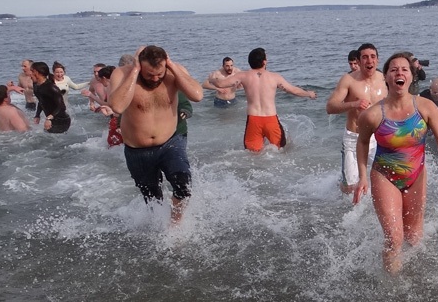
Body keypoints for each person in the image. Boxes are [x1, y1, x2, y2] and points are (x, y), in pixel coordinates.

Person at [353, 52, 438, 275]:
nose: (399, 73)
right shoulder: (373, 114)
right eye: (393, 70)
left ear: (412, 77)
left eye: (404, 69)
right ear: (385, 77)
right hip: (385, 175)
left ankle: (412, 277)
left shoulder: (425, 107)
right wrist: (362, 176)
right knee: (394, 239)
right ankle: (392, 287)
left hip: (416, 176)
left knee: (414, 238)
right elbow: (362, 142)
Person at [108, 45, 203, 225]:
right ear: (140, 65)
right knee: (152, 198)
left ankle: (175, 226)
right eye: (149, 74)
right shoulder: (122, 74)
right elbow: (117, 106)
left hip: (170, 142)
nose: (155, 78)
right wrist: (135, 71)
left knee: (183, 184)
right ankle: (158, 227)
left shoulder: (173, 72)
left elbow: (197, 96)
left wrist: (173, 67)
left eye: (159, 74)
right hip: (137, 150)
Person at [210, 47, 316, 152]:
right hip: (271, 120)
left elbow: (220, 84)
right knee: (281, 150)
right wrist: (308, 93)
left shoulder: (243, 76)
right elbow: (294, 90)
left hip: (253, 121)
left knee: (253, 154)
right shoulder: (275, 77)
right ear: (264, 62)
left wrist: (211, 79)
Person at [326, 43, 387, 193]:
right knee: (350, 188)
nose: (369, 61)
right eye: (365, 57)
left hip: (378, 137)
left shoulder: (385, 80)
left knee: (388, 179)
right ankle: (341, 185)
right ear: (359, 62)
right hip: (354, 138)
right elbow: (330, 107)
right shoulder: (348, 80)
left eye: (373, 57)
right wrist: (354, 104)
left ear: (378, 60)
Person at [30, 62, 71, 133]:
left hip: (62, 121)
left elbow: (62, 107)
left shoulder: (51, 88)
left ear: (36, 72)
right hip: (52, 119)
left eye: (32, 71)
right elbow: (41, 101)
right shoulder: (36, 85)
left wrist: (49, 118)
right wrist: (37, 115)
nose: (30, 74)